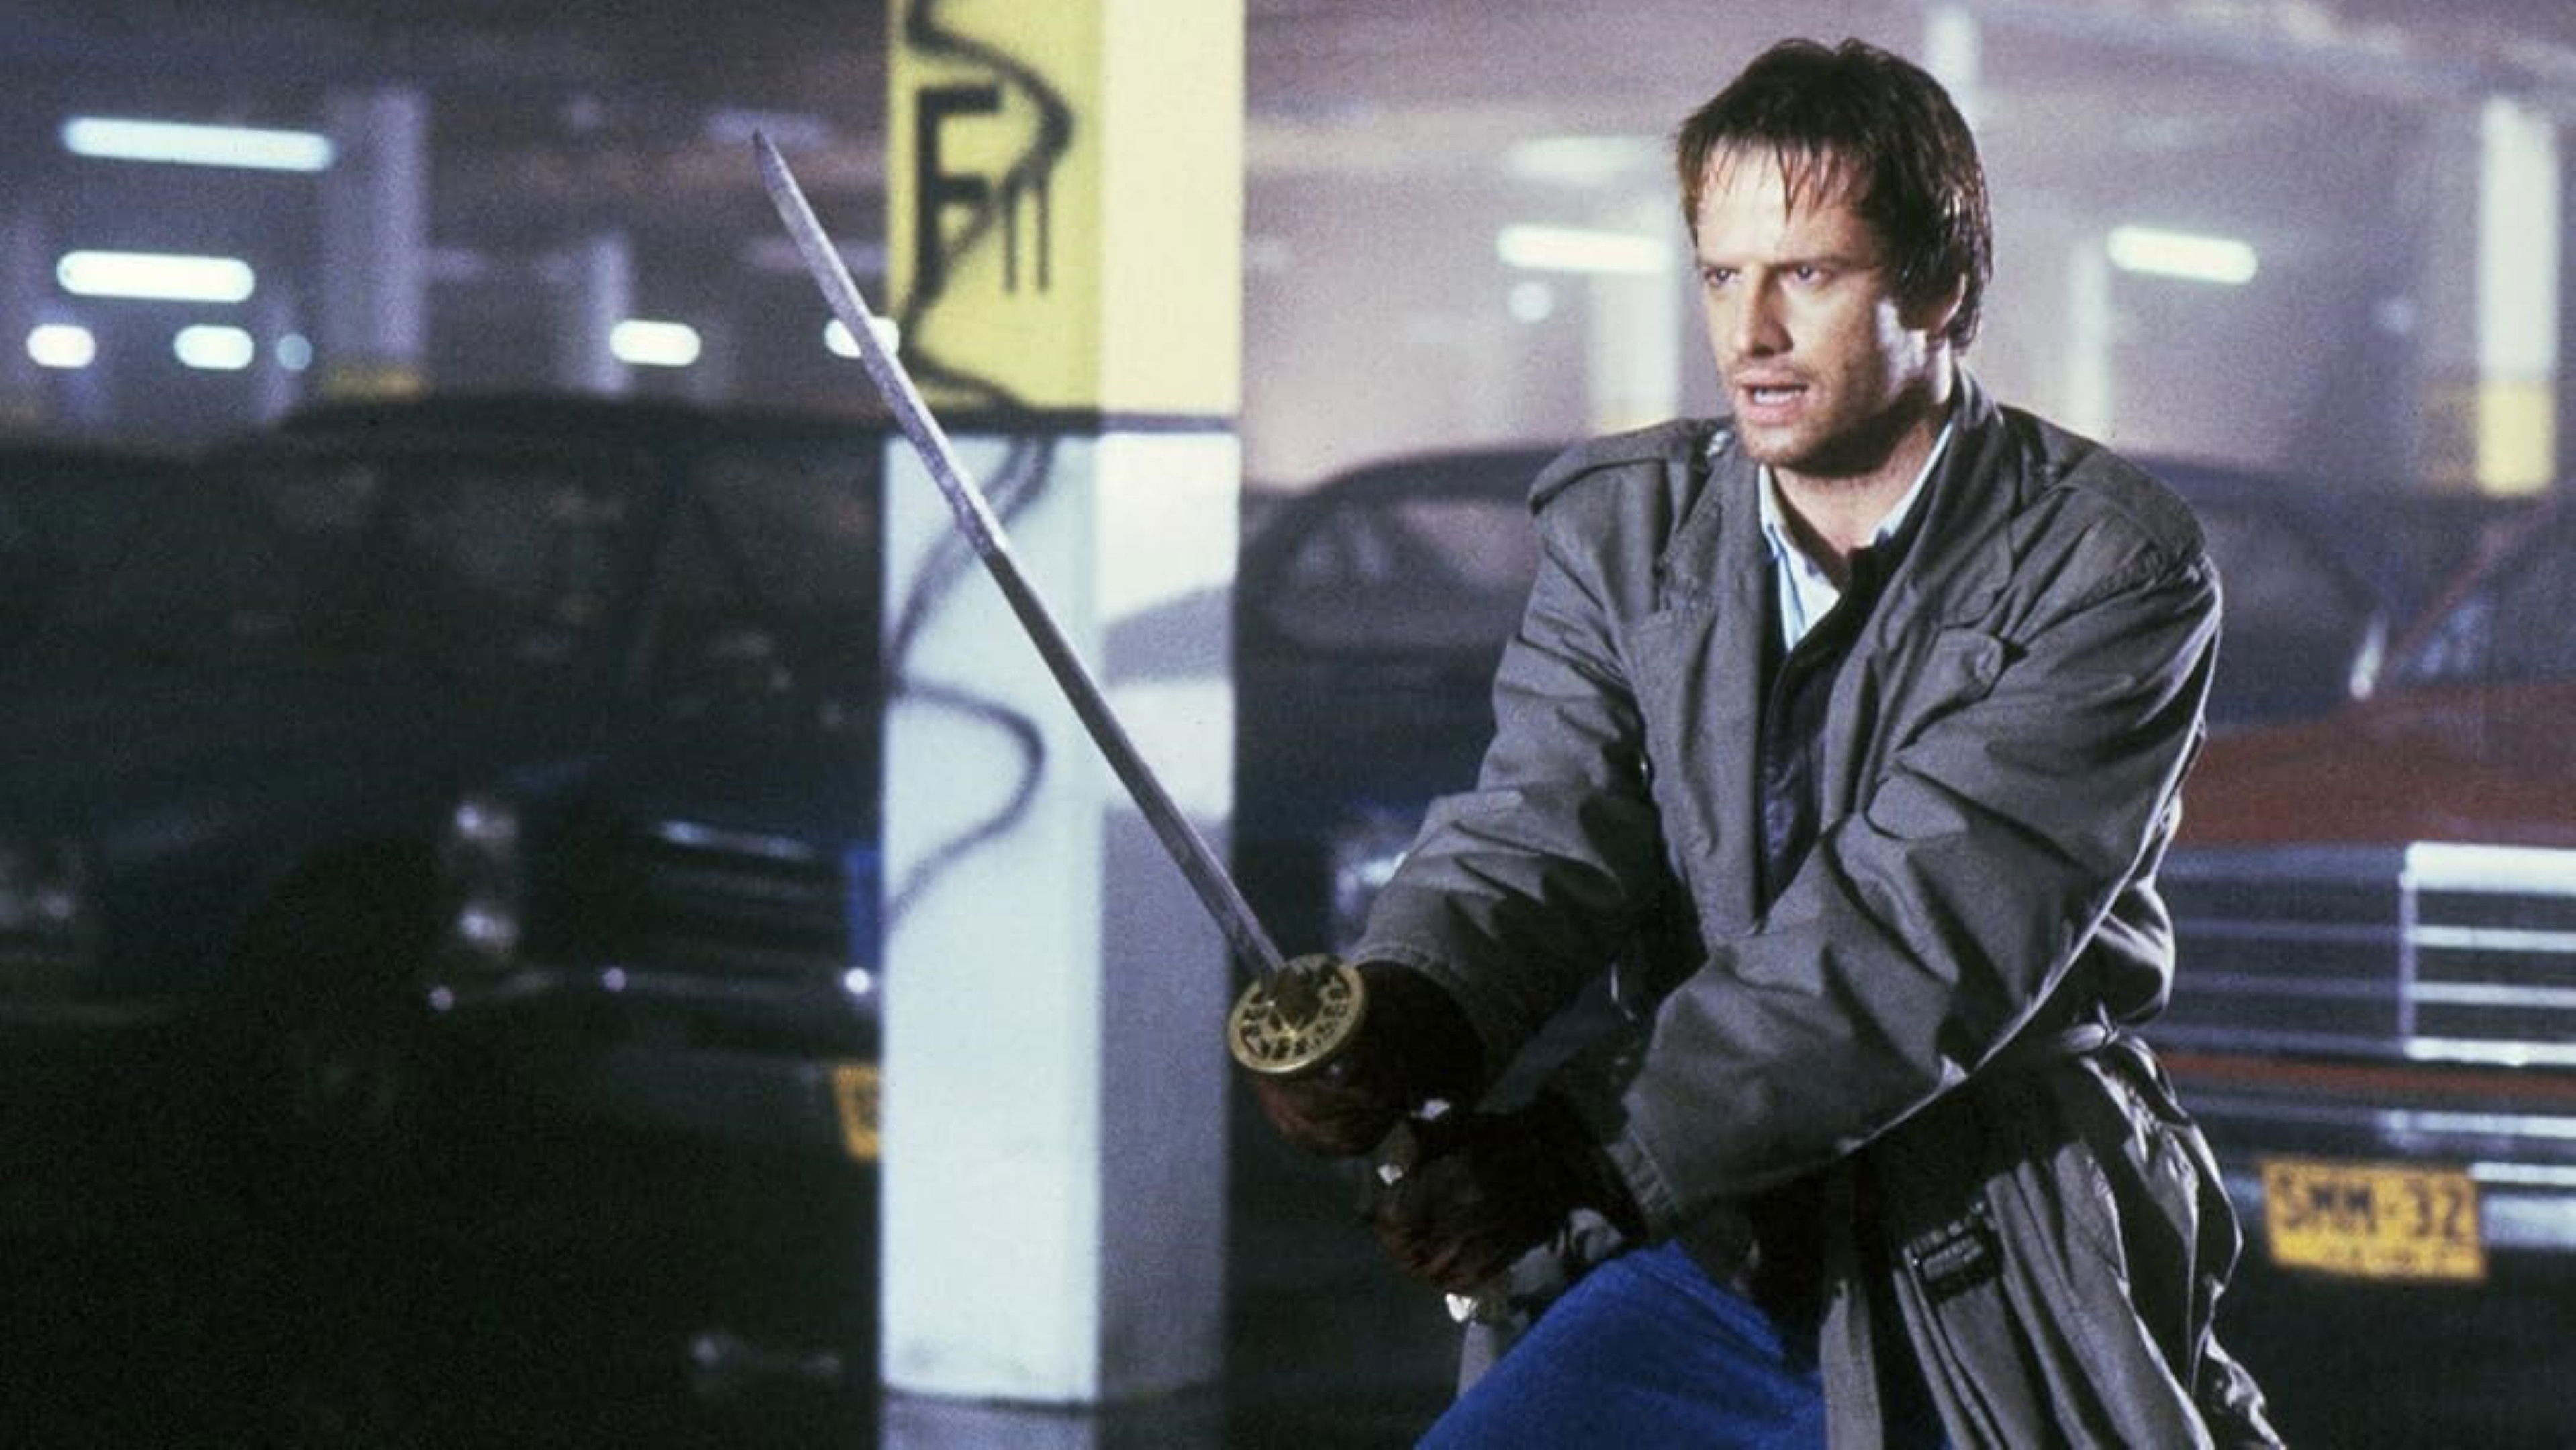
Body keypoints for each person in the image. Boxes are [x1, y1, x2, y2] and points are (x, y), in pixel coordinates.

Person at [1243, 35, 2283, 1449]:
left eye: (1808, 273)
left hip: (1981, 1238)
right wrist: (1415, 1003)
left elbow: (1910, 944)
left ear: (1941, 285)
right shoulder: (1630, 532)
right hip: (1709, 1243)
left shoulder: (2105, 570)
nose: (1751, 333)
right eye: (1722, 276)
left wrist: (1583, 1152)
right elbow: (1541, 826)